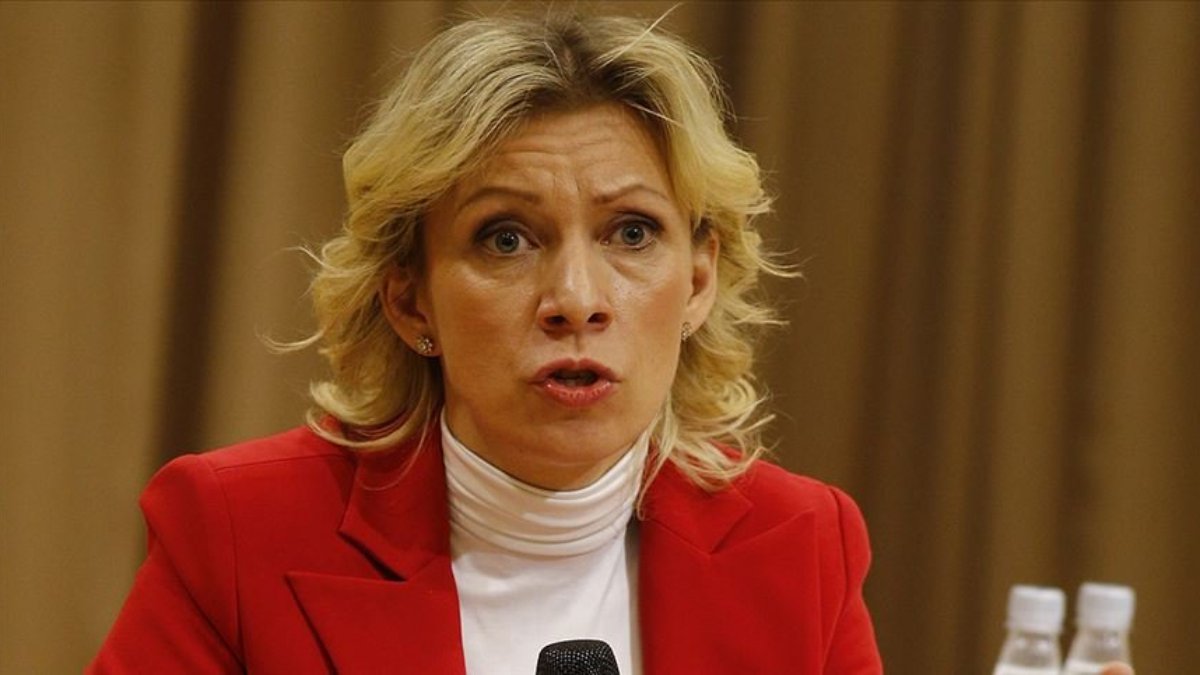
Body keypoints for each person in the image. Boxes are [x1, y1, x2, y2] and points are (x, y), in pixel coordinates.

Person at [88, 11, 1133, 675]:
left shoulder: (800, 545)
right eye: (506, 238)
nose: (576, 300)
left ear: (698, 279)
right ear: (410, 301)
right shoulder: (239, 533)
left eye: (631, 233)